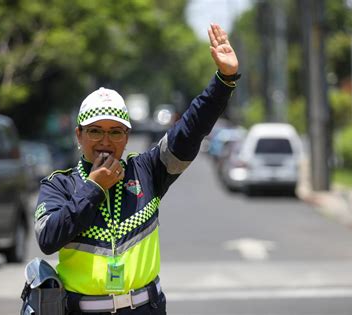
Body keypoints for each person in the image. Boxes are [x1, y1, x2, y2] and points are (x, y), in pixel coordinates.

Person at [33, 23, 240, 315]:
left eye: (116, 132)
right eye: (95, 132)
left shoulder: (147, 171)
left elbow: (190, 129)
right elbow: (48, 239)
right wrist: (93, 188)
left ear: (126, 138)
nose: (105, 141)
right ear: (79, 136)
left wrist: (224, 80)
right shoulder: (59, 185)